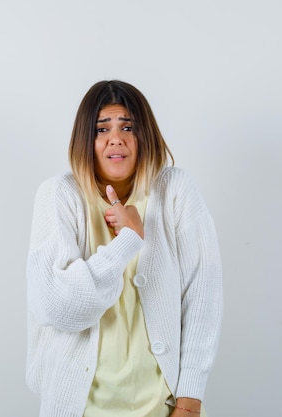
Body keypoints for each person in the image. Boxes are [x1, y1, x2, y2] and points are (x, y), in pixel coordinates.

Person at [26, 80, 223, 417]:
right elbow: (58, 308)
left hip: (162, 405)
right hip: (79, 407)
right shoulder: (58, 195)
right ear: (85, 140)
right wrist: (127, 241)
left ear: (144, 136)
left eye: (128, 126)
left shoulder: (174, 191)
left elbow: (203, 295)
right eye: (102, 128)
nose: (116, 138)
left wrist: (190, 399)